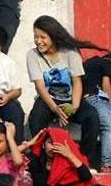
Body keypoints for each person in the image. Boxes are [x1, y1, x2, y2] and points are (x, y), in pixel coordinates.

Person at [25, 15, 102, 167]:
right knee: (36, 118)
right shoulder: (32, 55)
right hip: (48, 99)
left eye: (43, 37)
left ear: (53, 36)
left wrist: (73, 107)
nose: (38, 41)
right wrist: (55, 108)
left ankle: (87, 162)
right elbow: (40, 86)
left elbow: (77, 82)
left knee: (91, 116)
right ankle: (39, 161)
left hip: (71, 98)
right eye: (36, 37)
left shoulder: (70, 52)